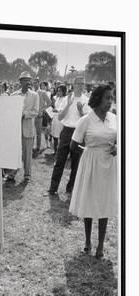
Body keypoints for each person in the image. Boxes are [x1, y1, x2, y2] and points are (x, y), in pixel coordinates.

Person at [69, 85, 117, 259]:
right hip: (90, 163)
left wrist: (117, 148)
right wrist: (88, 156)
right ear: (97, 99)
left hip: (109, 164)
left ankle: (101, 245)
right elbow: (74, 145)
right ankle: (88, 241)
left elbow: (120, 139)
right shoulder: (86, 120)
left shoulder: (114, 118)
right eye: (107, 98)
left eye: (112, 98)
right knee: (89, 201)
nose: (110, 102)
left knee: (104, 202)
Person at [45, 76, 89, 196]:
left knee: (76, 163)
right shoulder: (67, 98)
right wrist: (69, 105)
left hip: (79, 133)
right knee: (60, 161)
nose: (81, 86)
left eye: (82, 83)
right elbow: (59, 117)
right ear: (73, 85)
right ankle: (53, 189)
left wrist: (80, 111)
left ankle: (70, 189)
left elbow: (87, 121)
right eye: (78, 83)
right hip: (66, 131)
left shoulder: (87, 99)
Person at [6, 71, 39, 182]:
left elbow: (36, 112)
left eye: (29, 80)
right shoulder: (14, 95)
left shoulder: (35, 95)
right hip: (15, 128)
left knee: (27, 153)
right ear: (20, 82)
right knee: (15, 152)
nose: (28, 82)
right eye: (25, 80)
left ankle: (27, 174)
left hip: (28, 128)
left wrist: (24, 114)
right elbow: (9, 110)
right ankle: (12, 173)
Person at [34, 80, 52, 157]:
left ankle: (38, 148)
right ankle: (32, 147)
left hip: (38, 115)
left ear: (39, 84)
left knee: (38, 133)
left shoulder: (42, 92)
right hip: (31, 116)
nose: (35, 84)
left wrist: (42, 109)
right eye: (34, 82)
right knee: (31, 132)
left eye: (36, 82)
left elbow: (49, 102)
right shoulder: (30, 91)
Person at [50, 84, 68, 155]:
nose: (58, 92)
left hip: (61, 120)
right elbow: (55, 107)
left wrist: (57, 110)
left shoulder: (66, 99)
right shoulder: (57, 98)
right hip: (55, 118)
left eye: (60, 91)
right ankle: (55, 150)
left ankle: (60, 152)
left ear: (63, 91)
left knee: (59, 137)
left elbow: (65, 109)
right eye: (57, 91)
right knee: (54, 136)